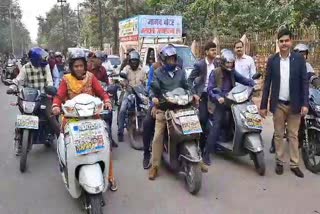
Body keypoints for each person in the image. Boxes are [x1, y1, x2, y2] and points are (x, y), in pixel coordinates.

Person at [51, 49, 118, 191]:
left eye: (81, 65)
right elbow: (58, 96)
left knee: (106, 141)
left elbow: (101, 92)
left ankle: (110, 176)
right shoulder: (66, 80)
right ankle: (67, 165)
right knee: (66, 141)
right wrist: (56, 105)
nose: (79, 68)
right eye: (76, 66)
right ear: (71, 67)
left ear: (85, 66)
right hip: (72, 118)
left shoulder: (91, 77)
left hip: (92, 117)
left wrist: (107, 101)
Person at [260, 28, 309, 178]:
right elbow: (267, 83)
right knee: (279, 135)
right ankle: (280, 162)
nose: (284, 44)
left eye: (286, 41)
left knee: (293, 135)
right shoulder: (272, 60)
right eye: (281, 41)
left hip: (295, 103)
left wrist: (305, 103)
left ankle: (294, 164)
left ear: (291, 42)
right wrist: (263, 105)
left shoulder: (299, 60)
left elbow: (304, 82)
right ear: (278, 43)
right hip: (278, 104)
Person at [148, 45, 199, 180]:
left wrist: (193, 94)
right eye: (169, 59)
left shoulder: (181, 72)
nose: (172, 61)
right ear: (164, 60)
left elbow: (188, 86)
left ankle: (198, 159)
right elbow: (153, 89)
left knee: (195, 126)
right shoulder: (158, 72)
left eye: (173, 59)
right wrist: (154, 97)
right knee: (158, 135)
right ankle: (155, 166)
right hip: (165, 108)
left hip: (182, 107)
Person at [206, 50, 256, 165]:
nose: (229, 65)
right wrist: (218, 97)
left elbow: (243, 79)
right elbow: (210, 89)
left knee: (243, 117)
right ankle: (206, 154)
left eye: (231, 63)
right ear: (223, 62)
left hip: (232, 101)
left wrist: (253, 83)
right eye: (227, 63)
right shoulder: (215, 72)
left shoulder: (233, 72)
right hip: (220, 103)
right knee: (216, 126)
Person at [7, 47, 60, 155]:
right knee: (22, 117)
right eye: (42, 57)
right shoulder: (25, 68)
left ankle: (62, 141)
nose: (44, 59)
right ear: (36, 58)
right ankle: (19, 143)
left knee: (51, 117)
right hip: (28, 97)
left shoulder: (45, 67)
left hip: (43, 96)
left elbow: (49, 80)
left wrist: (50, 88)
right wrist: (13, 86)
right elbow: (18, 79)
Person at [269, 43, 320, 153]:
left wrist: (317, 82)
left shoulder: (307, 66)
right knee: (281, 123)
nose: (303, 56)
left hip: (304, 97)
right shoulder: (290, 64)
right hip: (289, 98)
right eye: (301, 54)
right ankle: (274, 143)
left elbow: (312, 76)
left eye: (305, 54)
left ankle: (303, 141)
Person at [188, 41, 217, 172]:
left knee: (216, 124)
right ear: (206, 52)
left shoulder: (217, 64)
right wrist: (194, 94)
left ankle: (207, 153)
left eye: (215, 50)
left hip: (215, 96)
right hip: (203, 96)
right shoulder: (200, 65)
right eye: (212, 50)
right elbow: (189, 80)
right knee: (203, 122)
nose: (214, 53)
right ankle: (200, 149)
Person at [88, 51, 118, 147]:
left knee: (109, 112)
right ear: (94, 59)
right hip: (88, 96)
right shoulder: (87, 68)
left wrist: (109, 91)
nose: (101, 62)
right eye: (99, 60)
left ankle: (109, 137)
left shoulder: (103, 70)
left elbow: (106, 84)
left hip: (100, 96)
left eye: (102, 60)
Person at [117, 51, 145, 142]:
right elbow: (121, 77)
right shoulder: (126, 69)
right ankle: (120, 132)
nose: (134, 63)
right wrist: (123, 82)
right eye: (132, 61)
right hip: (129, 92)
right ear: (129, 61)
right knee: (122, 110)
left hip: (140, 93)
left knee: (147, 109)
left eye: (136, 61)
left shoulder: (142, 70)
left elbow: (146, 81)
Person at [142, 54, 163, 169]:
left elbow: (185, 84)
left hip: (175, 102)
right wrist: (154, 101)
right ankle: (146, 153)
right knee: (147, 123)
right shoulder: (154, 68)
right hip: (158, 103)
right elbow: (150, 87)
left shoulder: (178, 68)